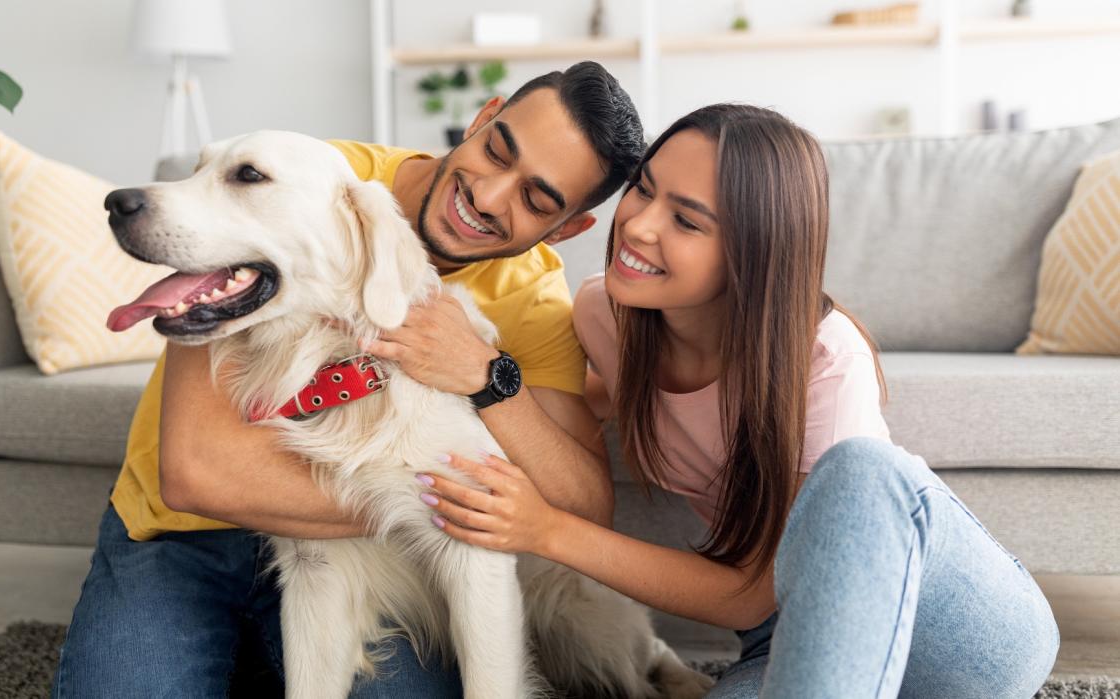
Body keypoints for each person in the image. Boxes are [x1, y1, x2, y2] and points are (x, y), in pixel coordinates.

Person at [414, 104, 1061, 698]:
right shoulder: (606, 317)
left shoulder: (826, 358)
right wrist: (475, 370)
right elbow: (560, 419)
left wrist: (547, 528)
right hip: (781, 644)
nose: (637, 225)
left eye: (686, 219)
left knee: (864, 470)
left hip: (949, 638)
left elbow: (751, 590)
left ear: (752, 250)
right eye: (644, 188)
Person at [51, 61, 645, 698]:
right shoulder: (308, 176)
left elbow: (581, 507)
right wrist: (446, 508)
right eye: (497, 150)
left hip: (368, 555)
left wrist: (485, 375)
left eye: (536, 200)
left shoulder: (531, 297)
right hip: (184, 532)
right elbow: (197, 475)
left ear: (566, 229)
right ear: (482, 117)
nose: (489, 196)